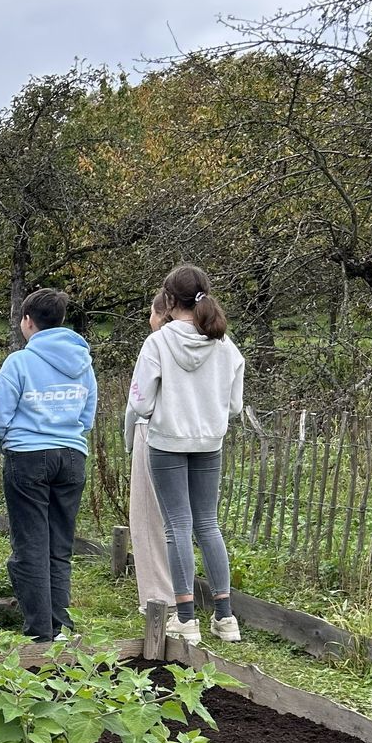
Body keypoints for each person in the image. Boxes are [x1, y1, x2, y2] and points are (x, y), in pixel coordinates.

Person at [126, 263, 246, 646]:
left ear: (169, 299)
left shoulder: (158, 343)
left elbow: (140, 402)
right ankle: (226, 618)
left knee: (176, 525)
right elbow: (235, 406)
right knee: (207, 525)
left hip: (167, 443)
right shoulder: (225, 345)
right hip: (209, 442)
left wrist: (151, 418)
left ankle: (187, 618)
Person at [0, 287, 97, 642]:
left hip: (28, 457)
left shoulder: (19, 362)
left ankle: (39, 632)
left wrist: (6, 445)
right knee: (59, 545)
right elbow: (88, 415)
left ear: (28, 322)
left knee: (30, 544)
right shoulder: (83, 363)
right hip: (72, 456)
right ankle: (61, 627)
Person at [123, 304, 176, 616]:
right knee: (188, 519)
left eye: (151, 312)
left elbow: (138, 401)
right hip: (200, 438)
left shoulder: (155, 344)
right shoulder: (216, 341)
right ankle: (206, 603)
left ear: (162, 313)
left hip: (153, 431)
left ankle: (159, 598)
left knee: (147, 516)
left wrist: (130, 440)